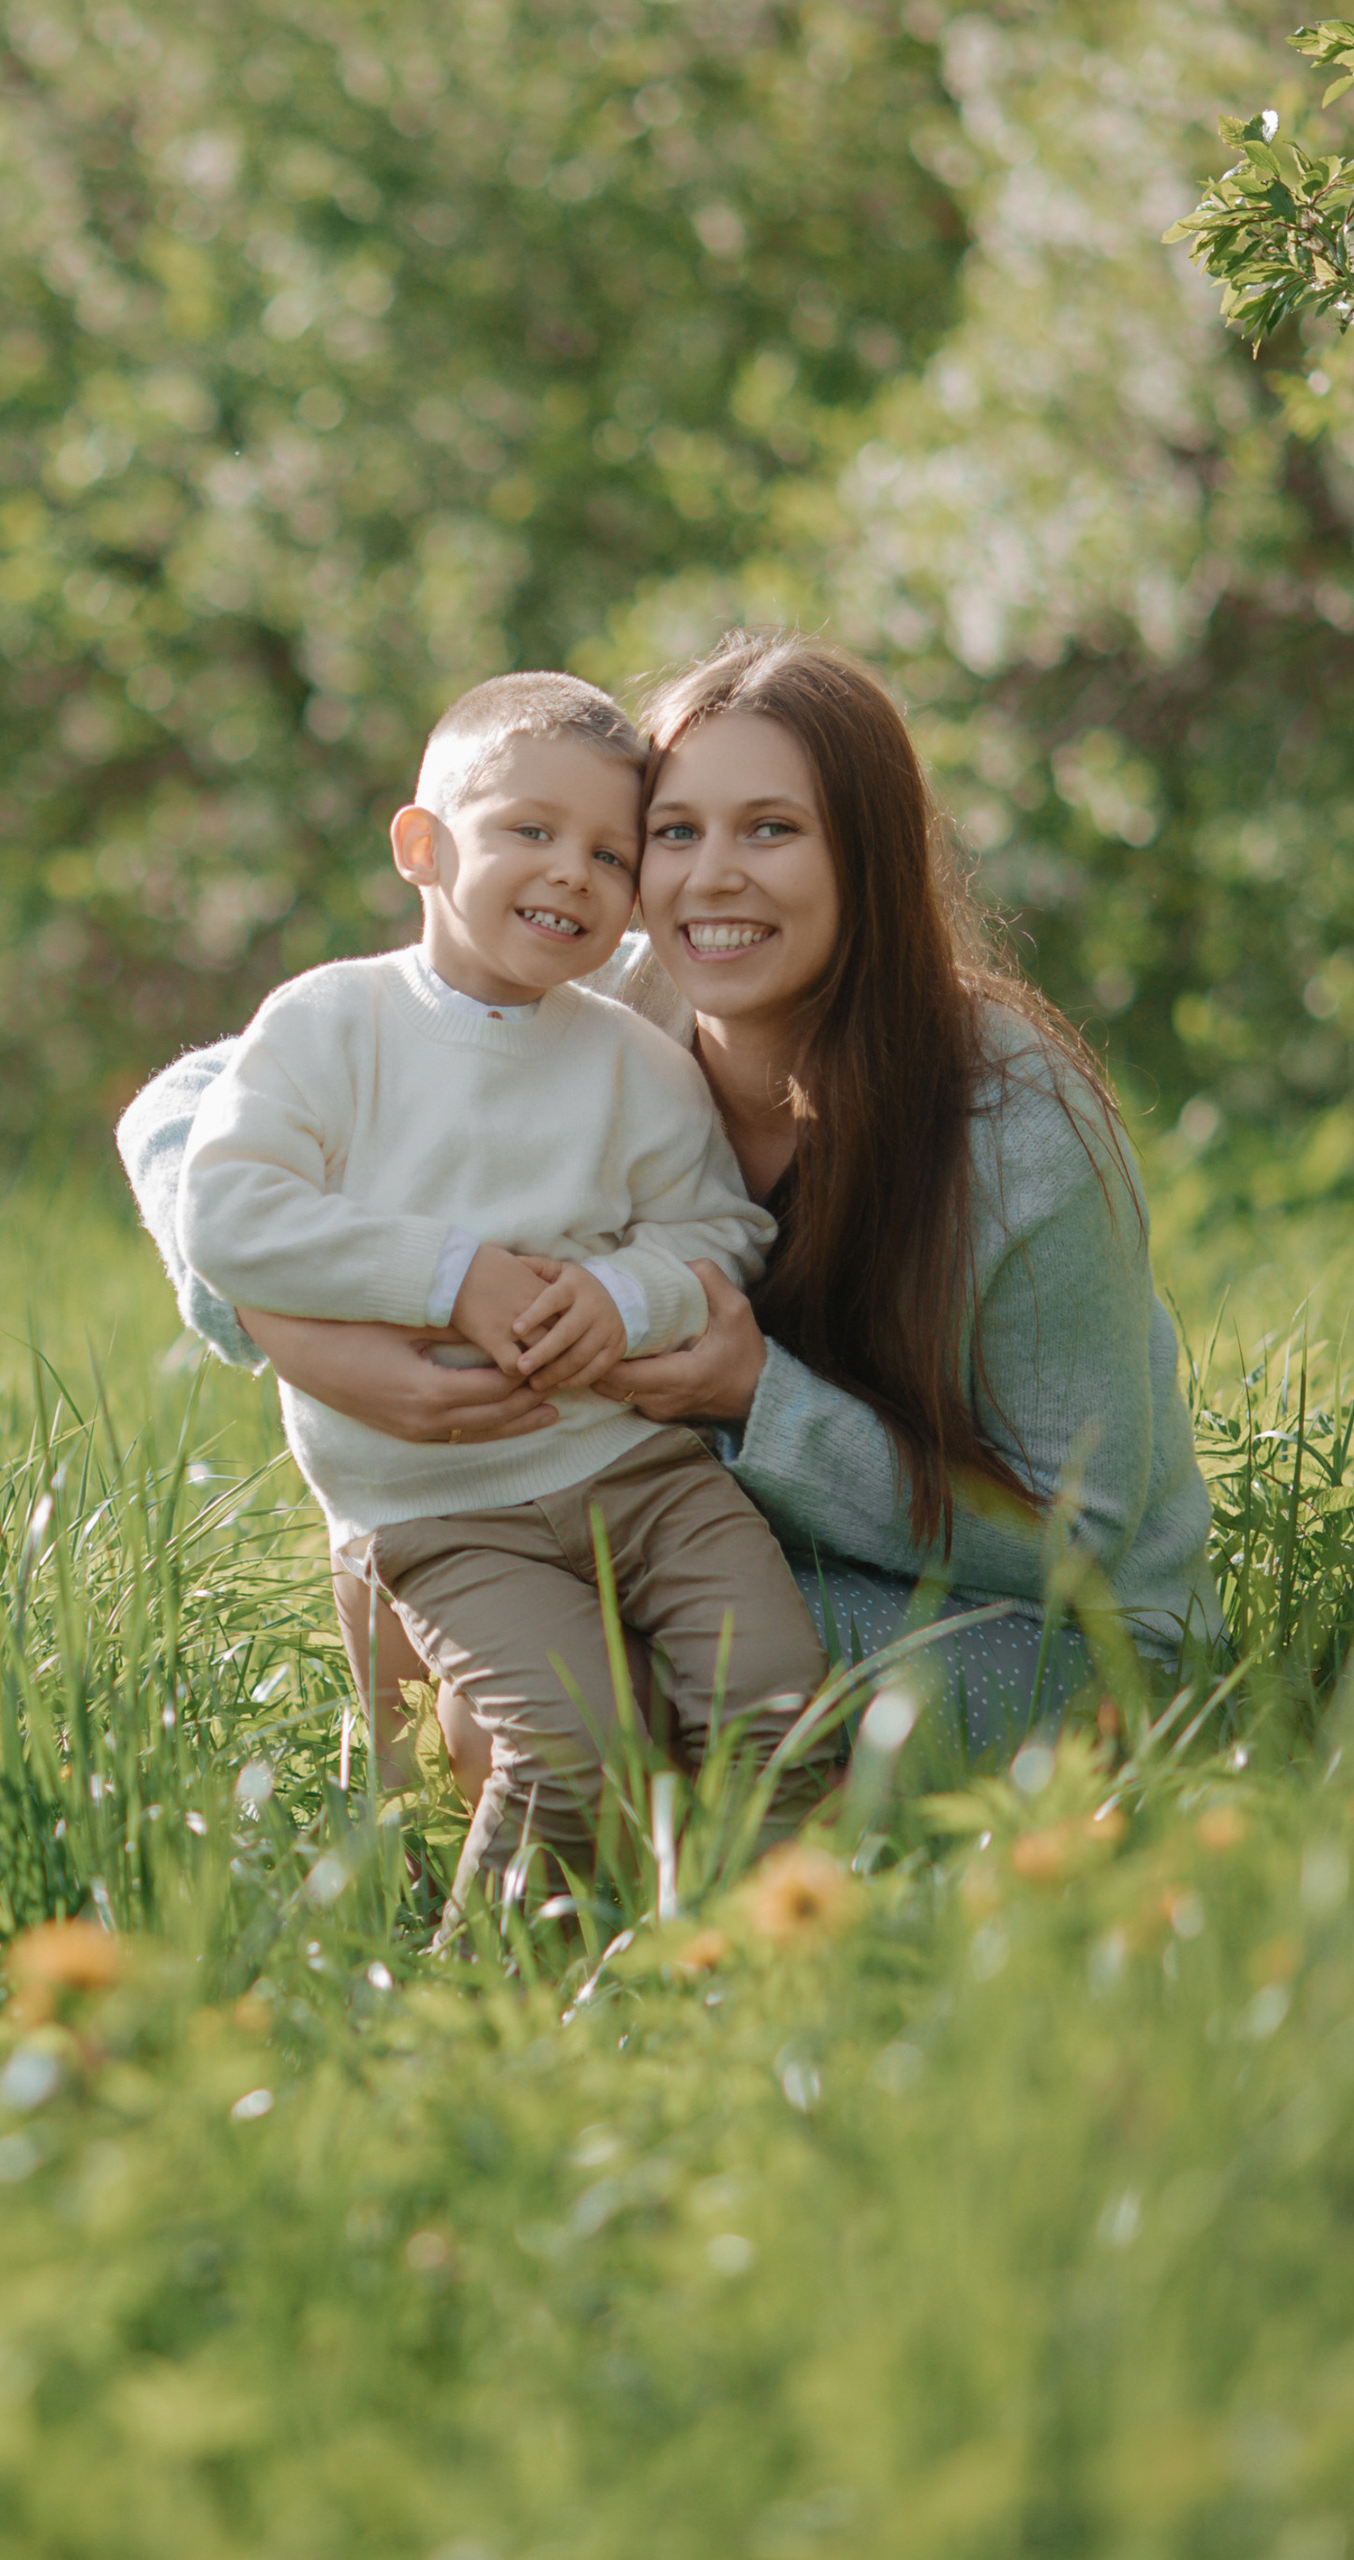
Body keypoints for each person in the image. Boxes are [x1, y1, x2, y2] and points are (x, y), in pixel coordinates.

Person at [121, 634, 1218, 1794]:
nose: (711, 878)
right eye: (675, 832)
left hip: (1032, 1626)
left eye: (771, 829)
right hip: (702, 1545)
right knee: (523, 1715)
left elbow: (1077, 1541)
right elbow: (183, 1110)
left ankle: (761, 1891)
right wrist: (293, 1333)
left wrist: (756, 1400)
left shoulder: (1014, 1126)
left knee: (601, 1738)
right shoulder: (602, 996)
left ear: (870, 857)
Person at [174, 670, 827, 1884]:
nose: (572, 872)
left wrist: (624, 1300)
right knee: (571, 1746)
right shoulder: (331, 1025)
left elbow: (721, 1230)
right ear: (422, 846)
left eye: (610, 853)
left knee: (780, 1701)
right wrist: (450, 1274)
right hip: (442, 1505)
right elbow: (226, 1209)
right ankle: (494, 1975)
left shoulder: (634, 1062)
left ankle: (756, 1946)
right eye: (531, 830)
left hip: (645, 1473)